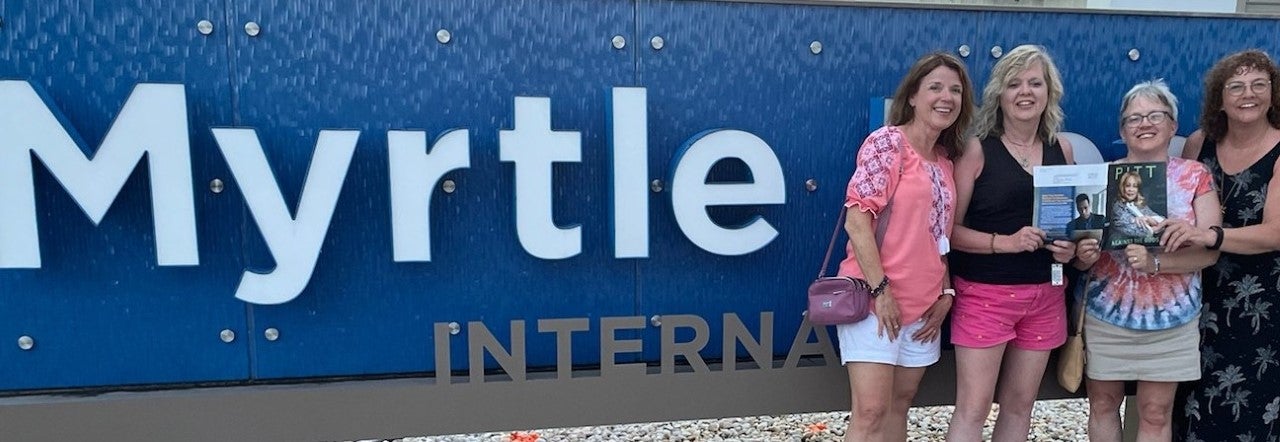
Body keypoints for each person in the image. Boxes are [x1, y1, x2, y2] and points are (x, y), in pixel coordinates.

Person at [1073, 79, 1221, 442]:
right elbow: (1078, 250)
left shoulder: (1194, 175)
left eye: (1156, 115)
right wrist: (1083, 255)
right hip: (1107, 312)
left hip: (1172, 316)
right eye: (1134, 118)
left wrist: (1158, 263)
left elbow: (1211, 250)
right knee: (1103, 406)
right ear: (1122, 130)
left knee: (1155, 412)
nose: (1144, 123)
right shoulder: (1102, 177)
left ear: (1173, 126)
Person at [943, 44, 1078, 442]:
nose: (1025, 92)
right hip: (986, 295)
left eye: (1035, 83)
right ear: (998, 93)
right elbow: (947, 230)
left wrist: (1069, 248)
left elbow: (1071, 224)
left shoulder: (1062, 149)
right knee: (973, 408)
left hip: (1046, 295)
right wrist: (1006, 243)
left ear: (1049, 92)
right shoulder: (976, 148)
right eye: (1014, 83)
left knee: (1020, 408)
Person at [837, 52, 973, 442]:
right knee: (870, 412)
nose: (946, 97)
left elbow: (938, 237)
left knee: (900, 404)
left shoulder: (945, 161)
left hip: (924, 309)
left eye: (955, 90)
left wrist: (946, 290)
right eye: (935, 87)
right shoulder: (887, 143)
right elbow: (857, 220)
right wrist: (882, 292)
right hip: (875, 302)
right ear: (912, 96)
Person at [1164, 50, 1280, 442]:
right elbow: (1176, 199)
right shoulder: (1199, 144)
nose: (1248, 95)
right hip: (1198, 294)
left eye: (1258, 85)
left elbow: (1276, 233)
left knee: (1251, 408)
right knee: (1191, 406)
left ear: (1272, 93)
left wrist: (1212, 235)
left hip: (1260, 306)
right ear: (1221, 96)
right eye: (1236, 86)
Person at [1110, 170, 1165, 238]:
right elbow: (1134, 231)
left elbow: (1163, 220)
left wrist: (1148, 219)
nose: (1131, 189)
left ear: (1138, 189)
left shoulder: (1140, 205)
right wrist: (1154, 228)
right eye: (1128, 186)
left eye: (1135, 186)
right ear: (1122, 187)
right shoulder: (1118, 207)